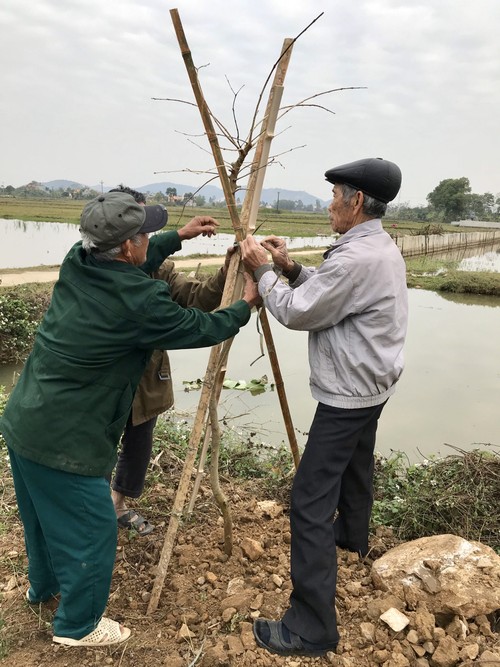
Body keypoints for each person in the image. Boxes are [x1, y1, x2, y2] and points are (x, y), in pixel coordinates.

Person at [0, 191, 260, 647]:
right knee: (93, 529)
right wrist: (245, 304)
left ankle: (43, 589)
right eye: (144, 233)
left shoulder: (77, 261)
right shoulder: (139, 302)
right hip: (67, 438)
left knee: (42, 517)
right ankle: (78, 626)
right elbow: (203, 327)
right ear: (126, 248)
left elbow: (139, 260)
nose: (149, 238)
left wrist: (175, 237)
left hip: (26, 418)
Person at [240, 157, 408, 658]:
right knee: (356, 464)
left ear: (356, 202)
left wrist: (264, 273)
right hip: (373, 384)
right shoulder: (374, 245)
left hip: (348, 393)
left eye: (335, 194)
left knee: (309, 501)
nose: (329, 203)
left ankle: (312, 627)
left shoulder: (358, 256)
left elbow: (300, 310)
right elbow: (332, 291)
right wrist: (291, 268)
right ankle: (353, 538)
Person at [107, 185, 235, 535]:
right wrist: (241, 311)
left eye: (147, 229)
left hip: (145, 377)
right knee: (99, 442)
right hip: (107, 379)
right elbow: (194, 329)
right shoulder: (97, 270)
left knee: (139, 441)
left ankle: (117, 503)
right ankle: (94, 506)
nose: (147, 236)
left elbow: (194, 297)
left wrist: (226, 272)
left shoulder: (158, 267)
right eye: (142, 229)